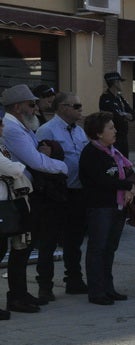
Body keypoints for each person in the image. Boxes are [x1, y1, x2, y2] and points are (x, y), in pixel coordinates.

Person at [1, 84, 68, 313]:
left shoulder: (23, 126)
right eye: (31, 104)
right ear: (18, 107)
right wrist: (63, 166)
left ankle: (19, 294)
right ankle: (16, 296)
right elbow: (33, 162)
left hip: (26, 194)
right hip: (17, 196)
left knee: (24, 245)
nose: (35, 107)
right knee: (19, 246)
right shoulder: (12, 129)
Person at [79, 111, 135, 305]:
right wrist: (126, 186)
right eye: (110, 128)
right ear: (98, 133)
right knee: (98, 248)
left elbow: (127, 174)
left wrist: (131, 186)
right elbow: (101, 181)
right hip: (100, 207)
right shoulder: (91, 153)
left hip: (117, 206)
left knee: (110, 248)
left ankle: (108, 287)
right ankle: (96, 291)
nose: (115, 131)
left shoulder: (115, 152)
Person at [36, 92, 90, 299]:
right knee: (49, 241)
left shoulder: (80, 132)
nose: (80, 109)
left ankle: (74, 279)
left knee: (74, 240)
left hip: (77, 192)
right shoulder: (46, 130)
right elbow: (39, 161)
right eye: (76, 106)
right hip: (55, 193)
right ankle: (45, 286)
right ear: (61, 108)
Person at [0, 116, 34, 317]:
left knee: (14, 249)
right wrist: (17, 168)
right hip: (3, 207)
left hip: (9, 205)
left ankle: (18, 296)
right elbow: (14, 168)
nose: (3, 126)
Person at [98, 72, 135, 157]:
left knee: (125, 163)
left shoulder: (120, 98)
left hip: (123, 137)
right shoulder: (105, 98)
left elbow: (133, 114)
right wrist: (125, 116)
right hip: (112, 138)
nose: (121, 84)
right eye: (120, 82)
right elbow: (114, 117)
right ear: (115, 82)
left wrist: (127, 116)